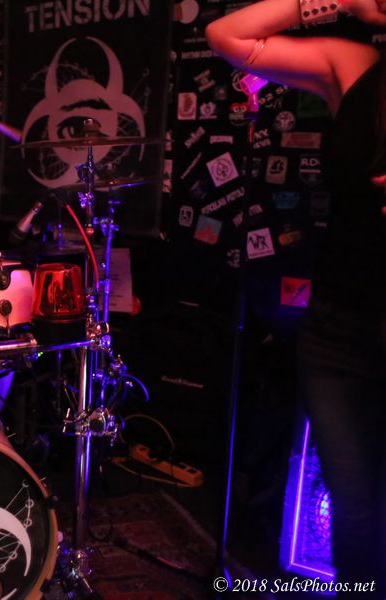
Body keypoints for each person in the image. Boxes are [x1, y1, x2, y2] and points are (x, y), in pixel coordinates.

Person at [206, 0, 386, 594]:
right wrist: (340, 1)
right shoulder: (356, 65)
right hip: (340, 328)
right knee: (356, 514)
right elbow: (227, 34)